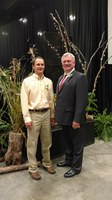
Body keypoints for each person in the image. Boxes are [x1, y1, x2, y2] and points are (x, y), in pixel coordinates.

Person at [20, 56, 56, 180]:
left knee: (47, 141)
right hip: (33, 115)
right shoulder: (27, 82)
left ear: (44, 66)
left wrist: (52, 115)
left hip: (46, 114)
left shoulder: (48, 82)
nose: (40, 66)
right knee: (32, 143)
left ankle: (47, 163)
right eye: (38, 64)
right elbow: (23, 101)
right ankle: (33, 168)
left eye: (42, 64)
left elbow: (51, 100)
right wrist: (27, 118)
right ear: (33, 66)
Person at [55, 52, 88, 178]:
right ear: (62, 63)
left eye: (69, 61)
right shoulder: (60, 78)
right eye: (64, 61)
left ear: (74, 63)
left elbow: (81, 101)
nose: (66, 63)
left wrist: (77, 120)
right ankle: (68, 161)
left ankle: (76, 167)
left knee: (77, 144)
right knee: (68, 143)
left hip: (74, 120)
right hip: (63, 118)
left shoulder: (80, 77)